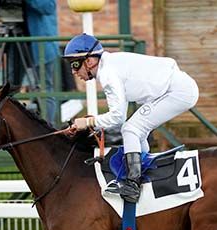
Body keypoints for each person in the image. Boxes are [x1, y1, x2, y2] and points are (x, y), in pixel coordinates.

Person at [63, 33, 199, 203]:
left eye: (74, 64)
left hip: (177, 91)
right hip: (175, 88)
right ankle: (144, 171)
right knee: (134, 129)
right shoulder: (109, 65)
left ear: (90, 61)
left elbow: (118, 117)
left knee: (130, 129)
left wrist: (89, 122)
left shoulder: (108, 74)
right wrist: (93, 123)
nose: (73, 71)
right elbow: (119, 112)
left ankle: (133, 184)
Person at [24, 0, 58, 123]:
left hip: (42, 46)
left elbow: (48, 7)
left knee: (44, 88)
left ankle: (48, 127)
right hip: (22, 45)